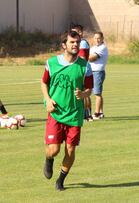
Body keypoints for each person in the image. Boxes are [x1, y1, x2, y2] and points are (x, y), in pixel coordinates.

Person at [41, 30, 93, 191]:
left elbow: (90, 89)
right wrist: (48, 100)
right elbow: (44, 83)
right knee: (54, 150)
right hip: (56, 113)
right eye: (72, 42)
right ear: (64, 45)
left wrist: (83, 94)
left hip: (75, 115)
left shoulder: (85, 66)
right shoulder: (51, 63)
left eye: (77, 42)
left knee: (70, 149)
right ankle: (48, 159)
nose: (75, 45)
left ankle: (60, 180)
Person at [71, 24, 93, 121]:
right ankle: (87, 114)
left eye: (75, 32)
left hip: (81, 68)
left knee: (84, 91)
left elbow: (83, 57)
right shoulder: (80, 42)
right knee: (83, 91)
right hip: (81, 68)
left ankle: (86, 114)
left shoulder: (82, 43)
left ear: (80, 32)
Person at [88, 31, 108, 119]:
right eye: (95, 38)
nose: (97, 40)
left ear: (102, 39)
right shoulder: (93, 48)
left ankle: (96, 113)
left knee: (97, 93)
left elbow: (92, 58)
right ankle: (101, 112)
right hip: (92, 72)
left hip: (98, 72)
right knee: (98, 93)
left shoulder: (102, 48)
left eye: (99, 38)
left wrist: (82, 57)